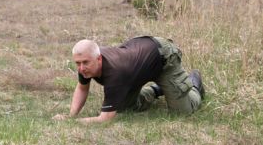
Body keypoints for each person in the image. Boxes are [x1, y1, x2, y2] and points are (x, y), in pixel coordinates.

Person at [53, 36, 204, 124]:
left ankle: (194, 84)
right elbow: (82, 87)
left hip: (162, 57)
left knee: (182, 112)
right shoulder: (86, 63)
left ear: (98, 59)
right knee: (125, 108)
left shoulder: (115, 73)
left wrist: (72, 122)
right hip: (137, 65)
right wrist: (72, 114)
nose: (81, 68)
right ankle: (157, 90)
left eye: (85, 63)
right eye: (77, 63)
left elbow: (106, 119)